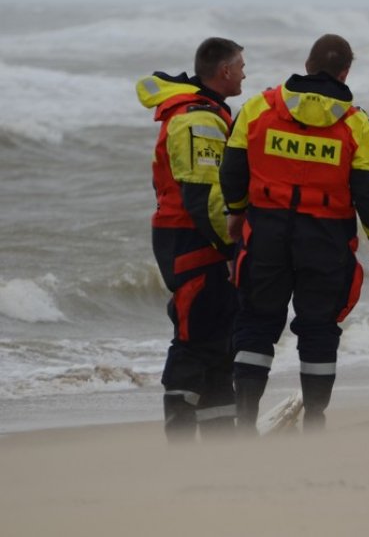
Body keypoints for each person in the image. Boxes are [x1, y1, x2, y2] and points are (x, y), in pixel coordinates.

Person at [220, 33, 369, 433]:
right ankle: (314, 419)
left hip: (266, 231)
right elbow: (368, 186)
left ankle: (244, 419)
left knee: (257, 321)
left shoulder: (260, 107)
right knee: (318, 327)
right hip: (326, 238)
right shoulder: (355, 122)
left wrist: (235, 212)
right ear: (345, 72)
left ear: (308, 64)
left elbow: (232, 167)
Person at [135, 37, 246, 442]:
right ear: (225, 71)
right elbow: (205, 198)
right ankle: (179, 440)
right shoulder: (197, 118)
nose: (245, 74)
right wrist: (232, 250)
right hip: (192, 239)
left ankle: (220, 441)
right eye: (241, 67)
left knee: (219, 341)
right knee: (193, 335)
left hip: (193, 236)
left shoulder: (207, 114)